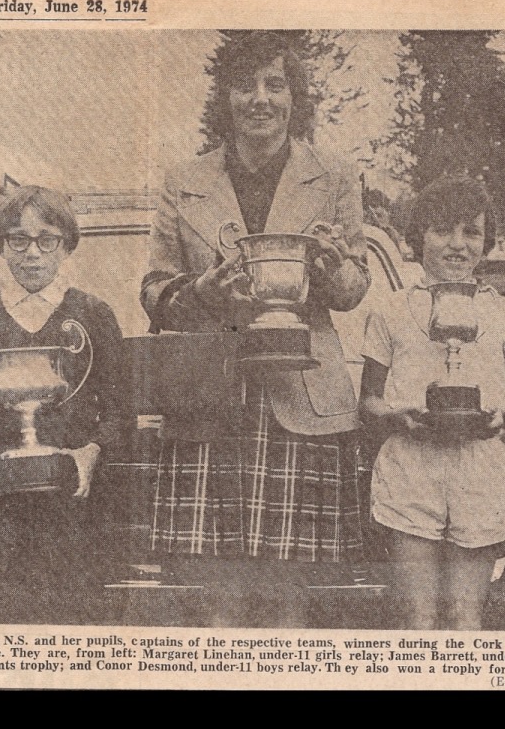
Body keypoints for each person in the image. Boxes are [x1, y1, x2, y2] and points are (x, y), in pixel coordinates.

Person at [140, 33, 371, 625]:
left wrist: (331, 265)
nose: (259, 99)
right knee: (219, 596)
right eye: (245, 85)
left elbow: (353, 292)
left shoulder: (337, 176)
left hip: (302, 395)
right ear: (225, 96)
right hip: (210, 399)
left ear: (295, 97)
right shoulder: (182, 180)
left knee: (291, 595)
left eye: (275, 84)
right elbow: (154, 293)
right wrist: (201, 293)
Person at [0, 186, 131, 623]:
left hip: (76, 507)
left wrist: (90, 453)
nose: (32, 253)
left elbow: (120, 411)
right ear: (1, 247)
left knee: (76, 618)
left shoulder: (93, 314)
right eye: (18, 240)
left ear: (67, 245)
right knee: (5, 616)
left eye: (47, 239)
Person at [359, 176, 505, 629]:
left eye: (471, 232)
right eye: (443, 230)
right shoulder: (391, 310)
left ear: (487, 241)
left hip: (479, 473)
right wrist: (399, 415)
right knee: (418, 620)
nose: (457, 244)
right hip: (410, 473)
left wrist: (500, 416)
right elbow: (368, 402)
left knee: (465, 618)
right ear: (418, 235)